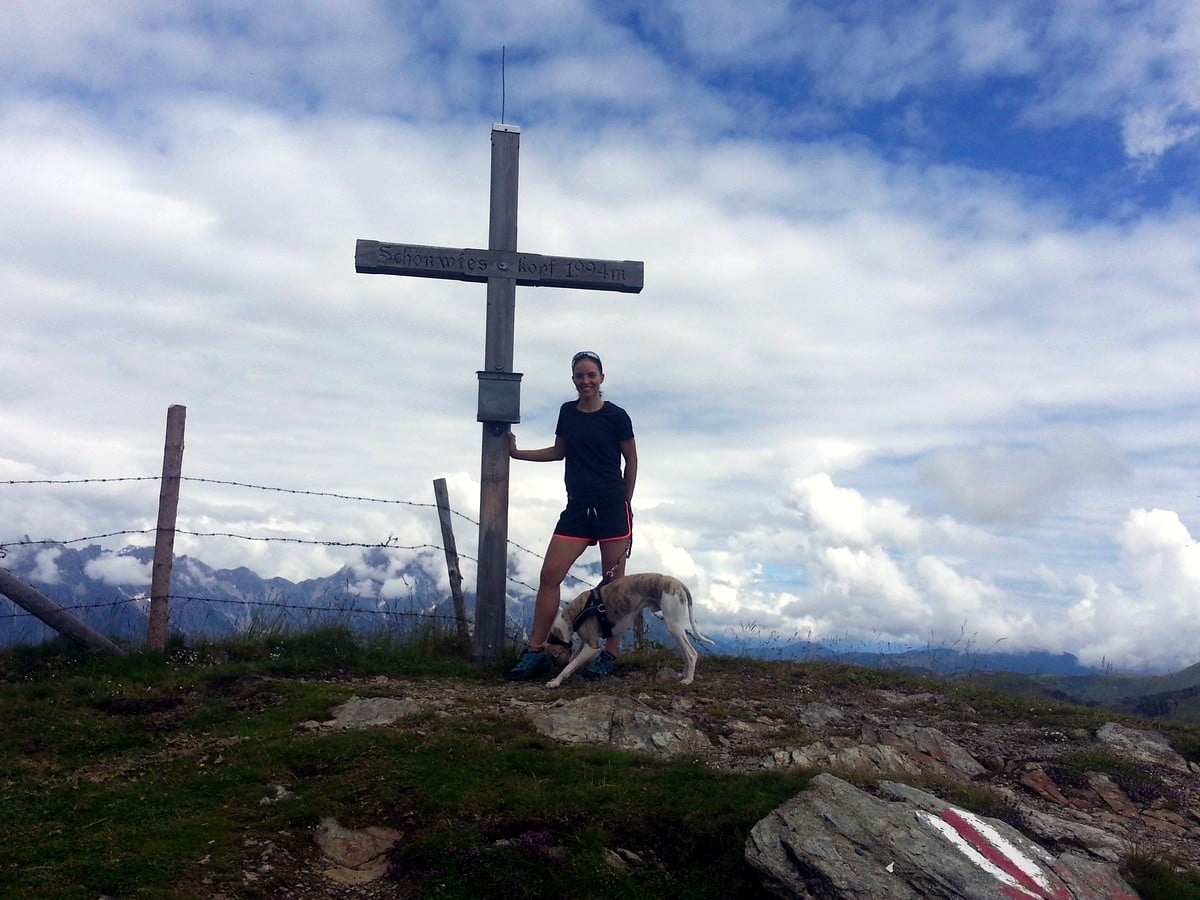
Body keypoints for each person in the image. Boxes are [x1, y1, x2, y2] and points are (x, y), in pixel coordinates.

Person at [505, 350, 637, 681]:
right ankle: (535, 649)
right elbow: (559, 451)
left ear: (602, 378)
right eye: (580, 376)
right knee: (550, 575)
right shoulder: (568, 413)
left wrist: (627, 501)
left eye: (591, 375)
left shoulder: (617, 416)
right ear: (574, 380)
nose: (586, 381)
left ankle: (609, 653)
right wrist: (518, 453)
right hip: (577, 507)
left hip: (611, 508)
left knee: (614, 585)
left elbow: (631, 461)